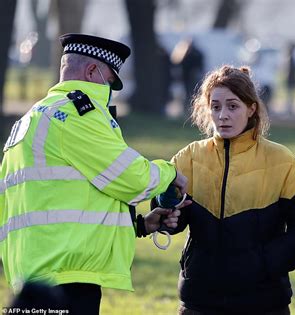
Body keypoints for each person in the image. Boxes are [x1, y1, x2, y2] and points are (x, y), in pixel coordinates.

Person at [0, 33, 189, 315]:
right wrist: (170, 173)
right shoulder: (75, 113)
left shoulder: (31, 119)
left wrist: (140, 226)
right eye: (110, 81)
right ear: (92, 71)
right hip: (68, 277)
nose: (110, 91)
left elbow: (62, 198)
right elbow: (129, 177)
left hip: (33, 277)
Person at [167, 65, 295, 314]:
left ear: (251, 108)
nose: (223, 116)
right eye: (215, 107)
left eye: (232, 106)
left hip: (263, 301)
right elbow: (172, 221)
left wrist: (266, 264)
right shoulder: (189, 157)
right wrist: (166, 213)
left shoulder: (283, 161)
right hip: (199, 300)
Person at [171, 37, 204, 112]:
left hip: (192, 77)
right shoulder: (183, 52)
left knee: (192, 93)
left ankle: (191, 109)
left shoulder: (186, 53)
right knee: (187, 94)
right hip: (187, 77)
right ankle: (187, 110)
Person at [284, 42, 295, 115]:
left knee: (290, 96)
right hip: (291, 80)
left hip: (291, 79)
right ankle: (288, 111)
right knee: (290, 96)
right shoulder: (291, 58)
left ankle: (289, 110)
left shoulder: (291, 58)